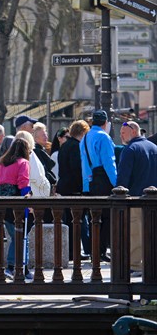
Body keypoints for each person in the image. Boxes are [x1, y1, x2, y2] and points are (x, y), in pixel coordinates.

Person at [117, 121, 157, 277]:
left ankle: (135, 265)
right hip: (153, 199)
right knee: (152, 233)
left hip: (135, 197)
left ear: (133, 131)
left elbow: (123, 177)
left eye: (123, 132)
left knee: (135, 233)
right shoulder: (154, 148)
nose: (120, 135)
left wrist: (119, 193)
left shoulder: (130, 149)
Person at [80, 110, 116, 262]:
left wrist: (86, 185)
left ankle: (94, 251)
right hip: (103, 181)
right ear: (105, 123)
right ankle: (101, 251)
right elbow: (109, 162)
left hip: (90, 182)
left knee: (94, 218)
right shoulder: (104, 137)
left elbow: (84, 164)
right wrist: (117, 184)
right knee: (106, 218)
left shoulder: (85, 138)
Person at [0, 138, 32, 280]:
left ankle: (12, 267)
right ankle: (22, 267)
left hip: (2, 202)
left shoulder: (2, 163)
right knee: (22, 237)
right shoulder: (23, 163)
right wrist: (27, 202)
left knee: (15, 236)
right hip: (16, 201)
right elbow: (23, 182)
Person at [56, 120, 91, 260]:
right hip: (74, 188)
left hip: (63, 186)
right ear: (83, 133)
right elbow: (77, 169)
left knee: (68, 221)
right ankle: (73, 252)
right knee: (76, 221)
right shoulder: (77, 147)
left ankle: (70, 251)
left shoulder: (64, 145)